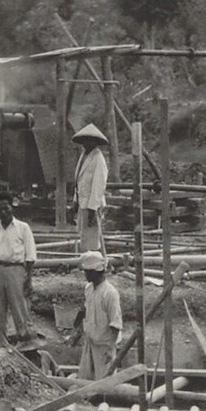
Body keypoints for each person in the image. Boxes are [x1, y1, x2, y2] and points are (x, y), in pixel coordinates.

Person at [0, 191, 37, 347]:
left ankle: (26, 343)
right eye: (0, 209)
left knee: (19, 308)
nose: (3, 212)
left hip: (16, 270)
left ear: (12, 208)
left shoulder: (23, 228)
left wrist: (28, 280)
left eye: (6, 208)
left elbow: (30, 256)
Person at [73, 250, 122, 381]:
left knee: (104, 383)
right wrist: (78, 333)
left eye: (88, 272)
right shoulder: (88, 289)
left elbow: (116, 324)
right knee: (84, 380)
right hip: (90, 342)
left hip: (104, 346)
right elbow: (87, 311)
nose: (86, 275)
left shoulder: (110, 293)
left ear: (96, 272)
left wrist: (110, 349)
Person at [72, 124, 110, 254]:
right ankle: (92, 260)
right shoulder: (83, 156)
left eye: (90, 140)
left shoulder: (98, 158)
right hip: (83, 202)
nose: (86, 143)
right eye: (85, 140)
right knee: (85, 236)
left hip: (91, 204)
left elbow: (98, 185)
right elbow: (79, 181)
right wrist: (75, 200)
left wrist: (92, 208)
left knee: (91, 238)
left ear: (95, 142)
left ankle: (94, 261)